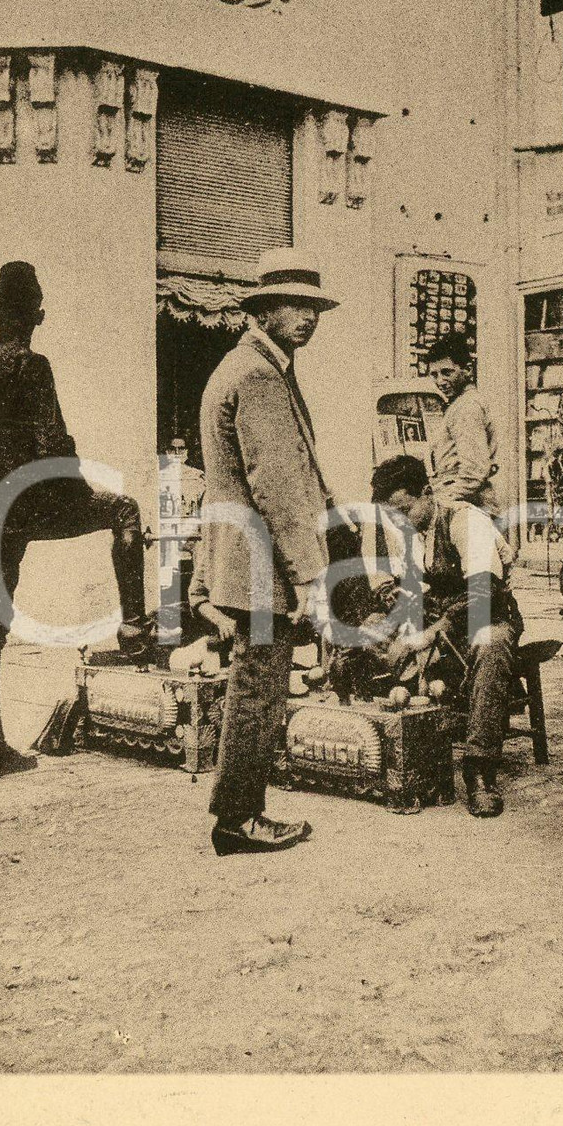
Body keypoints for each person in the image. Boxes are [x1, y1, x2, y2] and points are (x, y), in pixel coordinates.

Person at [0, 261, 150, 782]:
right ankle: (134, 628)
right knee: (124, 510)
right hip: (34, 503)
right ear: (38, 314)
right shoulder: (33, 364)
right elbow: (54, 445)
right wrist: (79, 495)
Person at [199, 247, 338, 855]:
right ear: (265, 308)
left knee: (253, 682)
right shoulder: (256, 375)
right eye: (292, 304)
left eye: (312, 306)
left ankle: (237, 810)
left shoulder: (254, 367)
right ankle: (238, 819)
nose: (305, 316)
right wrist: (309, 576)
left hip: (246, 555)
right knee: (259, 685)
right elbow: (275, 485)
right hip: (260, 560)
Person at [367, 454, 524, 818]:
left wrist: (435, 631)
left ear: (426, 492)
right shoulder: (415, 530)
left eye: (403, 511)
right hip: (443, 615)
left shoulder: (466, 520)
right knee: (373, 629)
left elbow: (484, 592)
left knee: (490, 643)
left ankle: (479, 771)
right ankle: (390, 742)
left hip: (489, 614)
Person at [427, 331, 502, 513]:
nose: (440, 381)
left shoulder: (467, 407)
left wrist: (440, 503)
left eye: (447, 372)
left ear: (468, 369)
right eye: (434, 375)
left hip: (468, 506)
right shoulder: (461, 404)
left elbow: (474, 471)